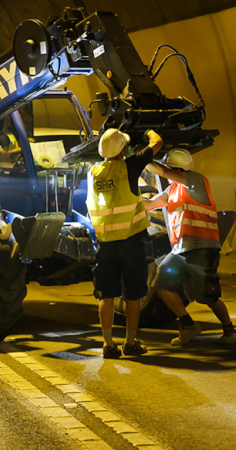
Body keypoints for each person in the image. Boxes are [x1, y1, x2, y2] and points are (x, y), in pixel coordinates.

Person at [143, 148, 236, 346]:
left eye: (170, 168)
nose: (167, 174)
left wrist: (140, 158)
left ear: (178, 170)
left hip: (201, 250)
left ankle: (229, 330)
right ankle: (188, 325)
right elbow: (149, 204)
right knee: (161, 285)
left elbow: (163, 172)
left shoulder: (196, 181)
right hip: (180, 251)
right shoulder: (172, 190)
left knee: (208, 296)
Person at [87, 128, 163, 358]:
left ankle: (108, 345)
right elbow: (157, 143)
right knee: (133, 294)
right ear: (124, 150)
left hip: (105, 244)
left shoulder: (93, 172)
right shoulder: (128, 166)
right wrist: (148, 131)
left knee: (106, 295)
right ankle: (130, 343)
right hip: (130, 242)